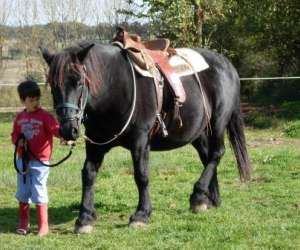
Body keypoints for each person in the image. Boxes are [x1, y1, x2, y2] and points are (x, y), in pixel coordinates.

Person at [11, 80, 61, 236]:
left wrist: (66, 135)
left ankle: (43, 225)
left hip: (40, 162)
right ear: (23, 100)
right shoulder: (19, 117)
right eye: (31, 100)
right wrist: (18, 141)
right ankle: (24, 223)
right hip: (23, 161)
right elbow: (14, 135)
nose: (35, 102)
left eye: (37, 99)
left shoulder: (45, 116)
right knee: (23, 191)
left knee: (39, 190)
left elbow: (56, 130)